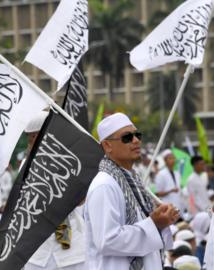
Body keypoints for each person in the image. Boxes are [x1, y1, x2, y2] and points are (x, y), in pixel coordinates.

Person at [84, 113, 179, 270]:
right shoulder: (105, 185)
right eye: (127, 137)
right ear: (107, 146)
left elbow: (146, 229)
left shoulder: (134, 181)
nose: (136, 141)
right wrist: (154, 224)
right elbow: (107, 240)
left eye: (137, 135)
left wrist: (163, 220)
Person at [23, 111, 87, 270]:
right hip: (37, 251)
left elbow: (80, 200)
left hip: (73, 249)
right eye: (29, 138)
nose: (31, 142)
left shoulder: (71, 161)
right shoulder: (26, 165)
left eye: (34, 136)